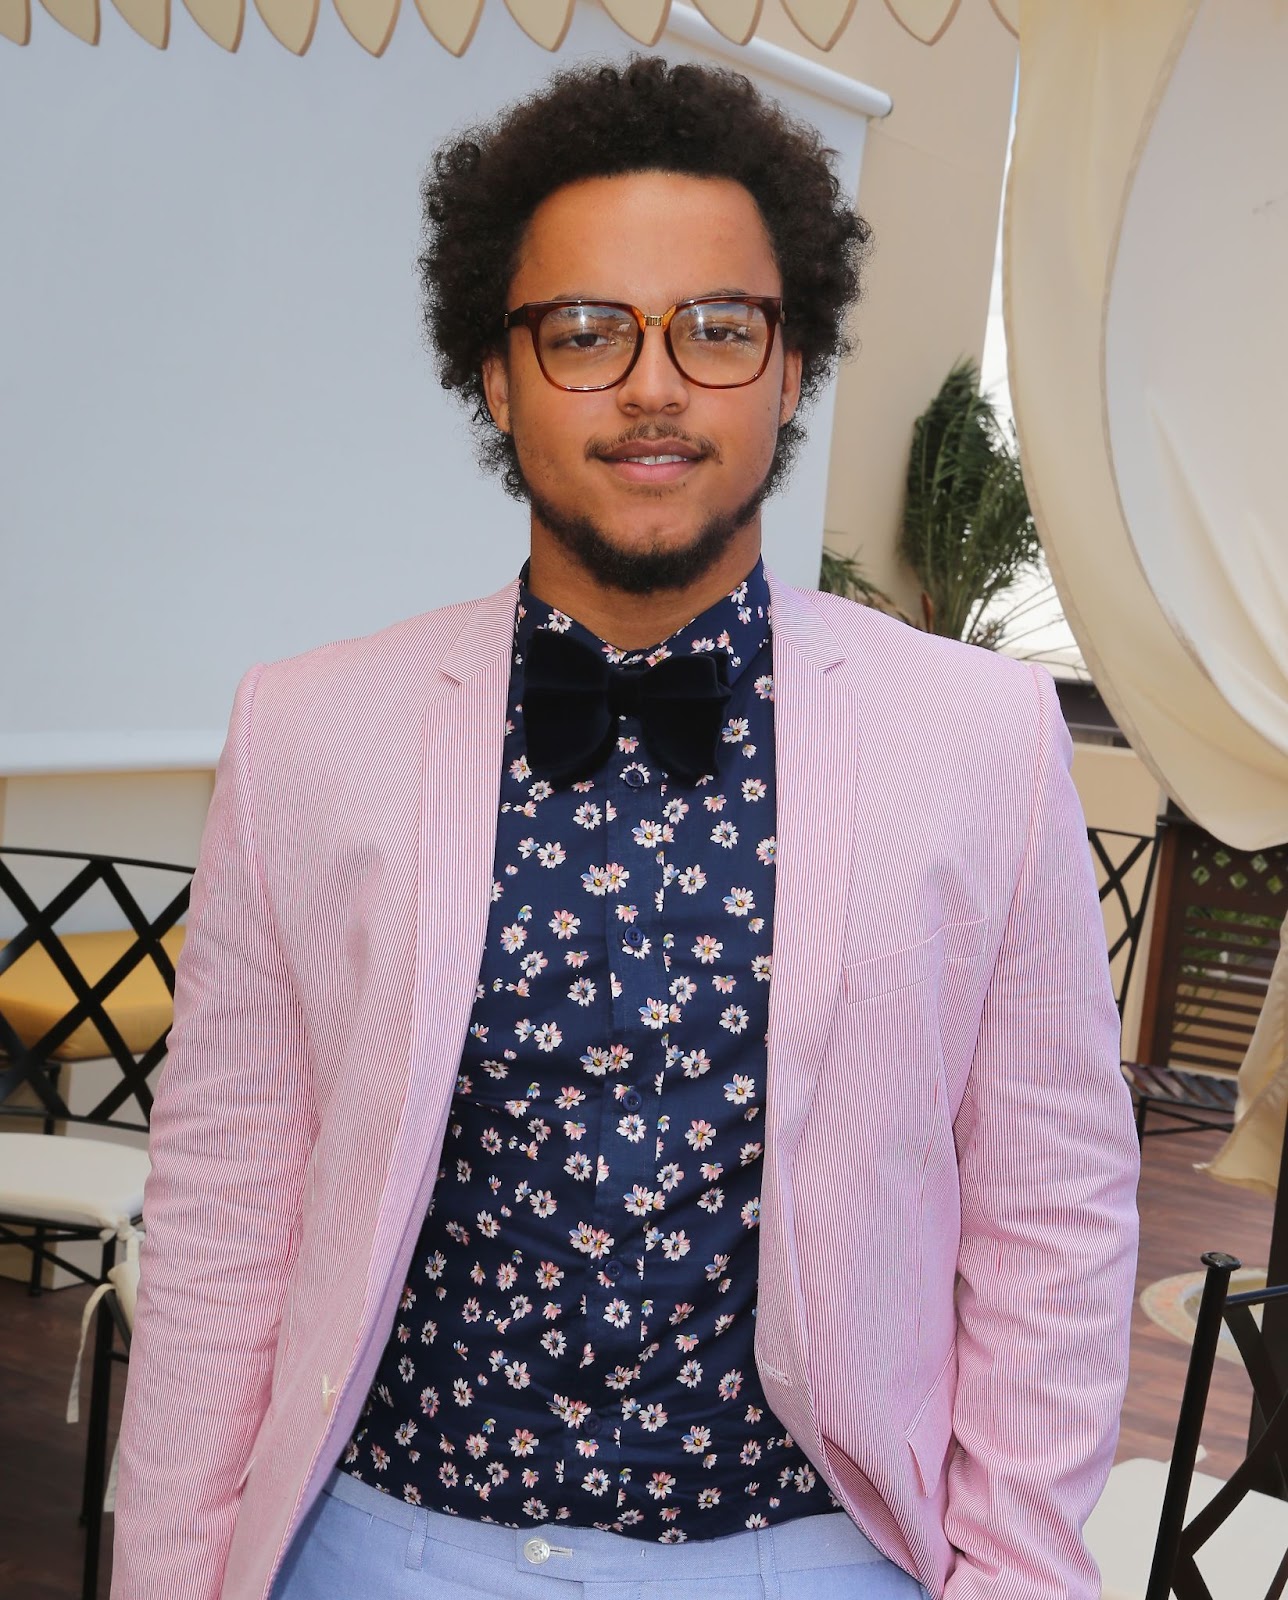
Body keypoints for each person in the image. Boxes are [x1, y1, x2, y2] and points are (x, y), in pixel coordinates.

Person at [113, 57, 1139, 1600]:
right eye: (586, 331)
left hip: (814, 1560)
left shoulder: (984, 739)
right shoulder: (304, 729)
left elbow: (1053, 1214)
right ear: (496, 371)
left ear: (792, 371)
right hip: (379, 1547)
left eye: (719, 330)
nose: (654, 386)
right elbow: (225, 1204)